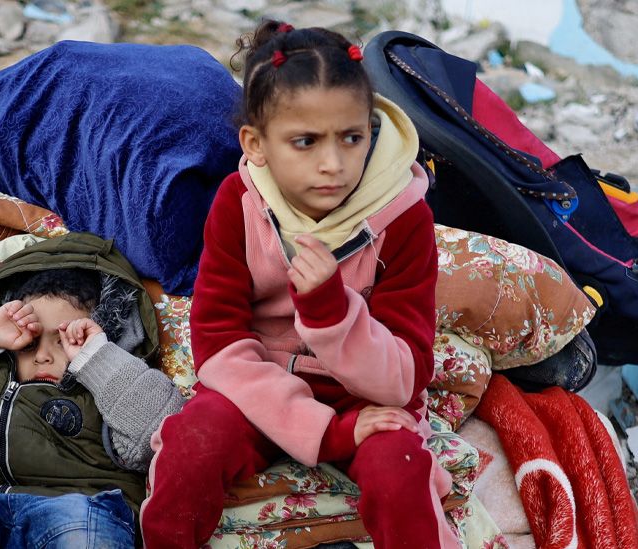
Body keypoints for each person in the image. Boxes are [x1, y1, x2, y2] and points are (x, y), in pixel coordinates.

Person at [141, 21, 458, 548]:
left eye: (351, 138)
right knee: (190, 444)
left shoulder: (403, 217)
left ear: (370, 130)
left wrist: (334, 312)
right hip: (259, 385)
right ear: (256, 144)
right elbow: (219, 346)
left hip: (364, 396)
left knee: (400, 465)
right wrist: (326, 434)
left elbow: (406, 377)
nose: (332, 164)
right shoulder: (238, 204)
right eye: (305, 142)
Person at [0, 233, 186, 548]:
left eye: (64, 342)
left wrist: (98, 360)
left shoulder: (107, 386)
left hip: (79, 503)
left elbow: (162, 431)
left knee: (86, 535)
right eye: (31, 341)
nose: (42, 356)